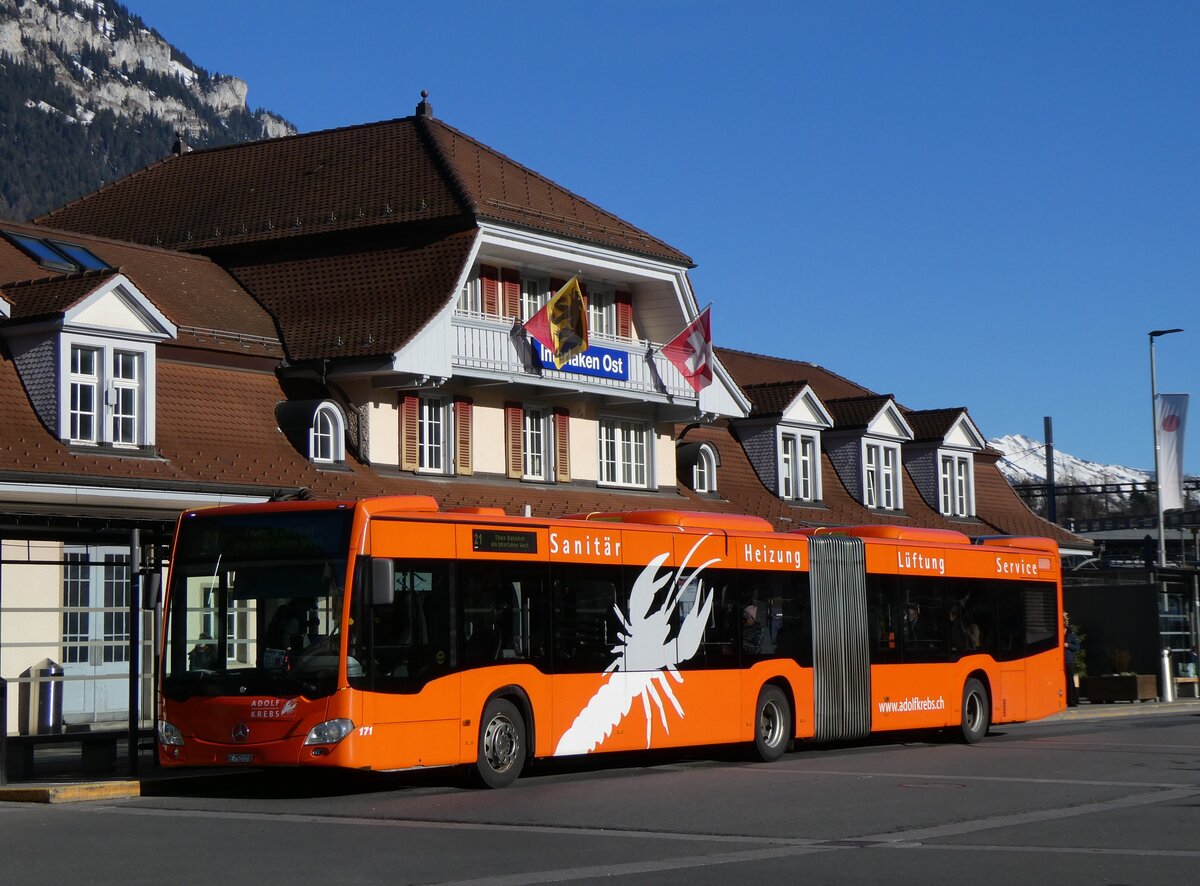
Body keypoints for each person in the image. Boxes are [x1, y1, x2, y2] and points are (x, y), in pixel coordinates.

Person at [1063, 612, 1080, 707]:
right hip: (1057, 660)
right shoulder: (1057, 633)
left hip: (1068, 661)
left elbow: (1077, 647)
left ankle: (1072, 700)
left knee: (1069, 680)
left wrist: (1068, 645)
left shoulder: (1071, 635)